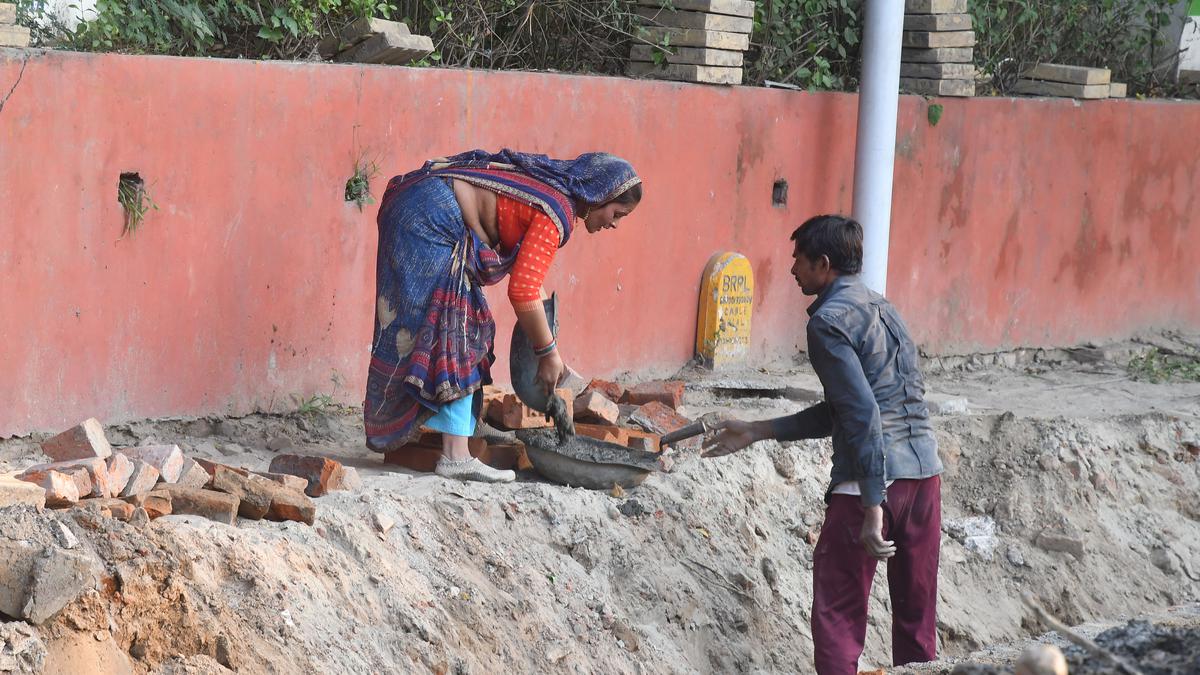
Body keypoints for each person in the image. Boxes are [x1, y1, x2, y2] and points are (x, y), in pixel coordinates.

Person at [703, 215, 943, 674]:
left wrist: (874, 504)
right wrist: (757, 430)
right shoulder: (885, 309)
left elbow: (862, 415)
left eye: (799, 260)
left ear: (824, 263)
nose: (792, 269)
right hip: (924, 478)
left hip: (871, 488)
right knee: (918, 619)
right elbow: (847, 409)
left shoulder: (828, 323)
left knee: (837, 617)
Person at [364, 149, 641, 483]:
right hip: (427, 217)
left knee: (465, 322)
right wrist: (548, 354)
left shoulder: (553, 195)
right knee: (457, 326)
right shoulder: (558, 213)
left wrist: (551, 346)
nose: (614, 223)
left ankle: (463, 425)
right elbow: (522, 291)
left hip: (420, 204)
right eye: (618, 212)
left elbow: (532, 287)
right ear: (602, 195)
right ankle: (455, 456)